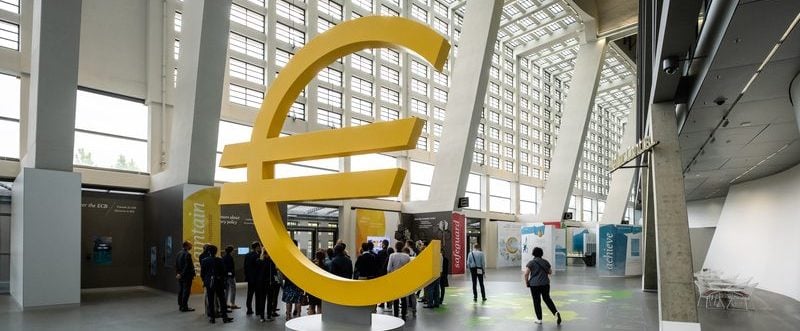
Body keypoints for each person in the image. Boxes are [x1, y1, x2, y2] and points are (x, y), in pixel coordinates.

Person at [524, 247, 561, 325]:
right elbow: (550, 272)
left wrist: (527, 282)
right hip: (545, 284)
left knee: (536, 301)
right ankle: (556, 313)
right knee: (547, 299)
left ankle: (539, 319)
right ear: (541, 254)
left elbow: (526, 273)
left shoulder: (531, 262)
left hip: (534, 285)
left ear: (533, 253)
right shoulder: (545, 262)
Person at [200, 245, 233, 324]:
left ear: (208, 251)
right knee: (222, 300)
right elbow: (223, 271)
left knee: (210, 300)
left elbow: (202, 274)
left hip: (209, 283)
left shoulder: (204, 260)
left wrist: (205, 281)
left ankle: (212, 318)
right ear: (216, 251)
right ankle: (224, 317)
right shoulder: (219, 260)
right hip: (218, 282)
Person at [387, 241, 412, 319]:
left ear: (395, 247)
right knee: (404, 298)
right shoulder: (407, 257)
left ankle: (396, 315)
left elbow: (388, 269)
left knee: (396, 298)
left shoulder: (392, 256)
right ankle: (404, 315)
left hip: (395, 279)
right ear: (403, 247)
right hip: (404, 279)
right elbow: (409, 269)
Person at [282, 240, 305, 321]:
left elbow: (283, 270)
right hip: (298, 281)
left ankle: (288, 315)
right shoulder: (299, 255)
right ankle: (298, 315)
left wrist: (284, 277)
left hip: (289, 281)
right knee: (298, 300)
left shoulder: (286, 256)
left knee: (289, 301)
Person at [175, 241, 196, 312]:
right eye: (190, 245)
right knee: (186, 291)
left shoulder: (178, 253)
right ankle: (185, 307)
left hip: (180, 276)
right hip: (186, 276)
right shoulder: (187, 254)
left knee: (181, 290)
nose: (191, 246)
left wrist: (178, 274)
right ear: (186, 246)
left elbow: (177, 265)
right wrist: (181, 274)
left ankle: (181, 305)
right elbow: (187, 266)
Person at [243, 241, 261, 315]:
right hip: (257, 278)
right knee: (258, 295)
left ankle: (249, 309)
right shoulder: (257, 255)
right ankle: (258, 310)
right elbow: (259, 266)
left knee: (249, 295)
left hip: (250, 278)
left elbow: (245, 267)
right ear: (257, 247)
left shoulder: (247, 255)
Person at [255, 248, 272, 322]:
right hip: (269, 283)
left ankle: (262, 317)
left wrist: (262, 252)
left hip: (261, 283)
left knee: (262, 300)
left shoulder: (259, 261)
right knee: (269, 300)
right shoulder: (270, 262)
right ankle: (268, 316)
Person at [307, 250, 326, 315]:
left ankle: (310, 320)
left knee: (311, 305)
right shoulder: (324, 266)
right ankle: (317, 321)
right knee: (319, 306)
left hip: (312, 287)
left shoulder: (311, 264)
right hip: (321, 288)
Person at [423, 242, 441, 308]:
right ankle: (437, 303)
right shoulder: (440, 255)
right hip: (438, 273)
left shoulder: (430, 255)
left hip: (431, 273)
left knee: (430, 289)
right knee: (436, 289)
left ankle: (430, 303)